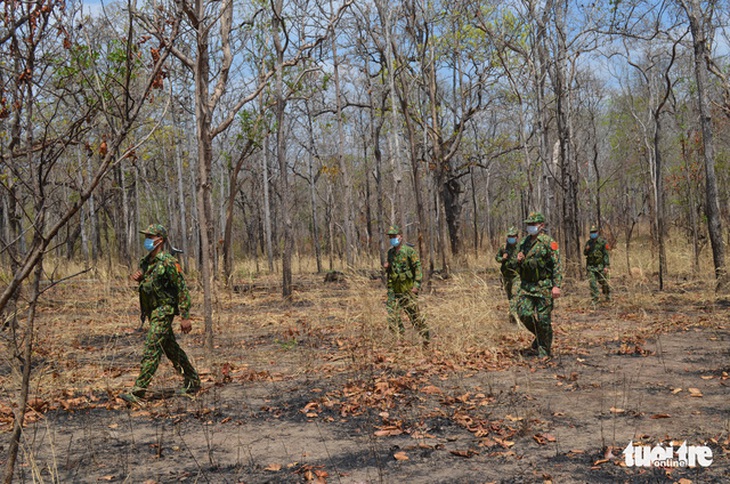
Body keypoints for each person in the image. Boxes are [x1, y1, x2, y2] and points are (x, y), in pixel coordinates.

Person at [120, 224, 200, 403]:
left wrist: (185, 316)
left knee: (151, 348)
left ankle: (138, 391)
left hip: (165, 311)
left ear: (160, 240)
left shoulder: (169, 262)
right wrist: (140, 279)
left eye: (151, 236)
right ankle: (193, 380)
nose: (147, 239)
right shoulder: (146, 261)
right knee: (169, 347)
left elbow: (182, 289)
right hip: (152, 311)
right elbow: (150, 285)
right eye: (146, 236)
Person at [515, 212, 562, 358]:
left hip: (544, 286)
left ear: (541, 226)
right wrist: (519, 260)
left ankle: (544, 352)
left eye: (533, 224)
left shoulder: (548, 242)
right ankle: (540, 335)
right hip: (527, 286)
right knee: (523, 314)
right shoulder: (524, 243)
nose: (530, 227)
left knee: (543, 320)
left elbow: (556, 265)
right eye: (528, 225)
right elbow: (518, 267)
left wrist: (556, 286)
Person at [383, 225, 429, 345]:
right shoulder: (390, 253)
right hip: (394, 289)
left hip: (407, 289)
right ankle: (399, 338)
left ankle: (425, 337)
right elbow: (392, 271)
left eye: (394, 236)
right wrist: (387, 267)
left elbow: (418, 268)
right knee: (392, 315)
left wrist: (416, 285)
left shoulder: (409, 251)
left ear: (401, 237)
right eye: (390, 237)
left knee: (414, 315)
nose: (392, 239)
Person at [584, 224, 611, 304]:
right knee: (592, 283)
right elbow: (585, 253)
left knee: (604, 282)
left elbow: (606, 255)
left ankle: (607, 295)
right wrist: (587, 249)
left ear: (597, 232)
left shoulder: (602, 242)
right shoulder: (588, 243)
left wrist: (606, 266)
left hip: (601, 266)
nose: (593, 233)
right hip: (591, 267)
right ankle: (595, 299)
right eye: (592, 232)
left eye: (594, 232)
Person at [495, 227, 520, 300]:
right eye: (509, 236)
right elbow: (497, 257)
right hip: (506, 275)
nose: (511, 238)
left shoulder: (521, 247)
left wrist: (521, 259)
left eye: (513, 236)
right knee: (509, 296)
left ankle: (515, 310)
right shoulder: (504, 247)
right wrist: (502, 259)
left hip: (517, 276)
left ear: (517, 237)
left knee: (515, 294)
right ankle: (513, 309)